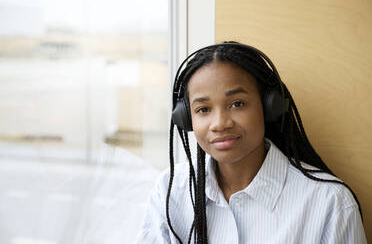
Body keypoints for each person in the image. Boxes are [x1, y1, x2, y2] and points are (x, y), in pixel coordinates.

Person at [136, 42, 367, 243]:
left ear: (270, 107)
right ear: (186, 118)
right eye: (203, 109)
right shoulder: (171, 191)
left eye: (237, 104)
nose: (219, 123)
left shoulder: (330, 203)